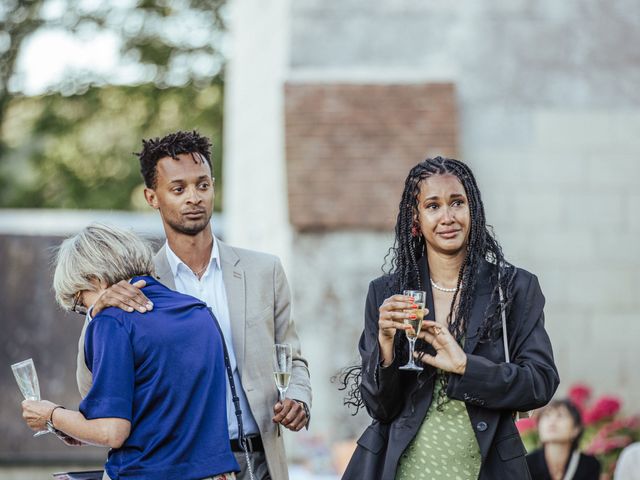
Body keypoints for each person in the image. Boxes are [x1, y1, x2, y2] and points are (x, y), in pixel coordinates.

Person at [75, 131, 311, 480]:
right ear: (152, 197)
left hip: (260, 459)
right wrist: (96, 312)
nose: (194, 198)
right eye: (178, 188)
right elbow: (91, 384)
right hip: (181, 466)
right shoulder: (140, 287)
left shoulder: (265, 271)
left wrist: (299, 398)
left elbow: (292, 357)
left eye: (202, 185)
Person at [341, 157, 559, 479]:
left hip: (485, 469)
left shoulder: (514, 288)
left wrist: (466, 367)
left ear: (473, 210)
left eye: (457, 202)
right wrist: (385, 347)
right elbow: (380, 408)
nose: (448, 217)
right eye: (433, 206)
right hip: (404, 470)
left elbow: (540, 382)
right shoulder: (387, 293)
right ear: (415, 218)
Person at [21, 224, 239, 480]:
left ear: (95, 280)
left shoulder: (112, 321)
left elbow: (111, 431)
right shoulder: (199, 311)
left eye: (81, 302)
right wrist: (78, 427)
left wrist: (50, 415)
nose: (88, 311)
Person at [526, 399, 601, 480]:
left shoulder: (589, 465)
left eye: (560, 416)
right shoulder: (527, 464)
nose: (552, 421)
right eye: (547, 415)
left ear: (576, 429)